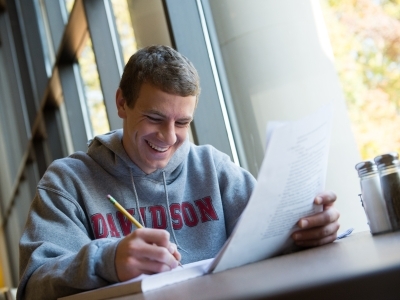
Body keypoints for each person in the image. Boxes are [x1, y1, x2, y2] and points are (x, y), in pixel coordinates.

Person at [17, 45, 340, 300]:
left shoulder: (213, 168)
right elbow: (33, 287)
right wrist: (108, 260)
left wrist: (306, 232)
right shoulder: (68, 181)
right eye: (154, 118)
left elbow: (270, 238)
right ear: (121, 103)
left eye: (182, 123)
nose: (169, 137)